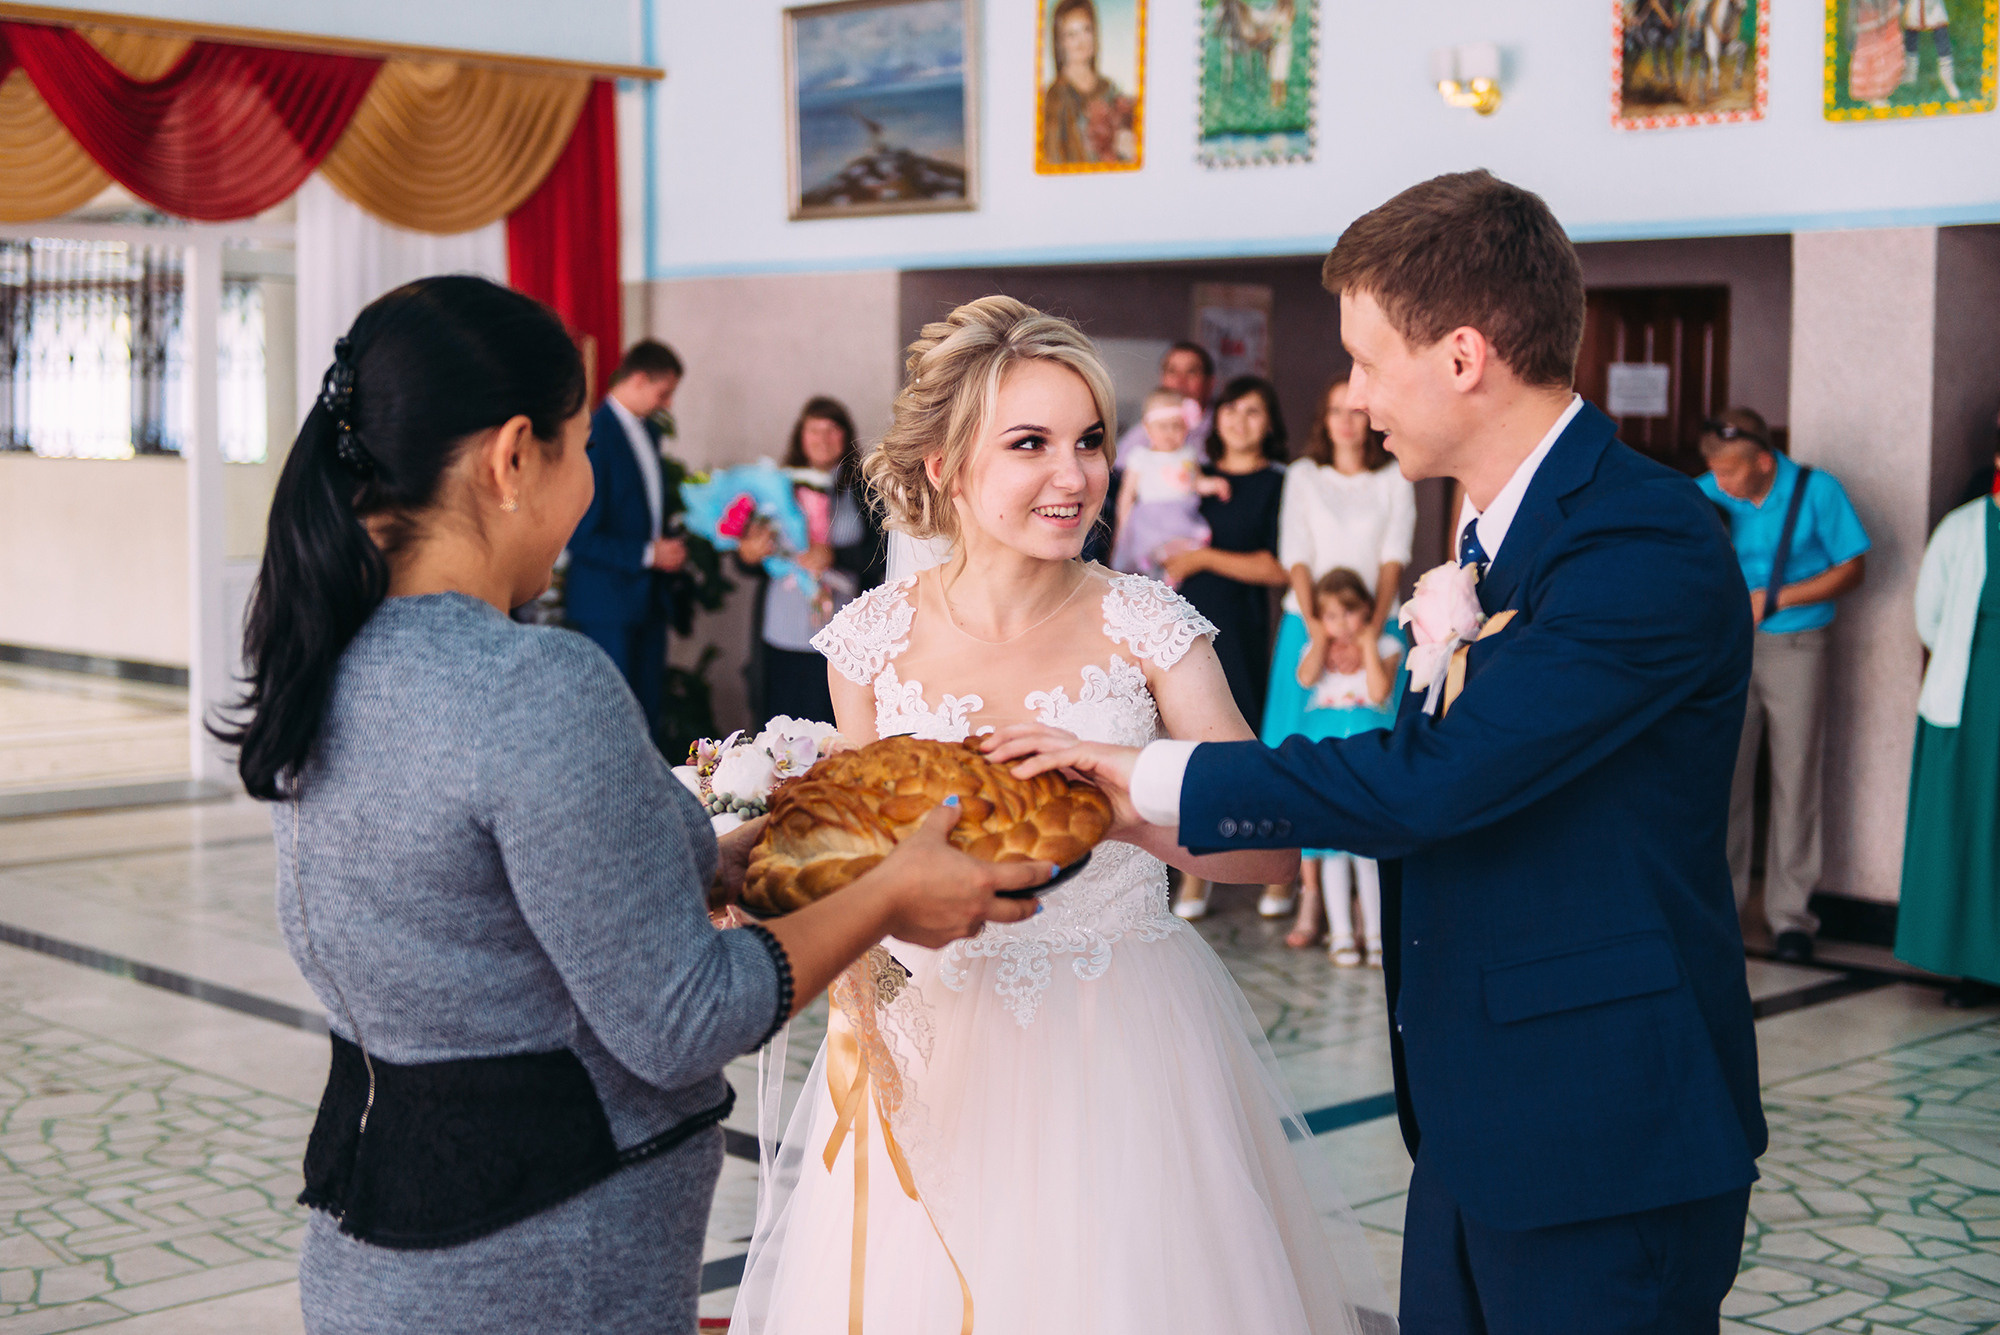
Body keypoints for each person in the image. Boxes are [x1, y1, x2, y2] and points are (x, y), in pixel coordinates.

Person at [1008, 171, 1766, 1332]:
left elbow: (1436, 784)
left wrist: (1137, 769)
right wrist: (1120, 812)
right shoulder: (1483, 534)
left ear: (1461, 357)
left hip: (1602, 1131)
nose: (1352, 397)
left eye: (1364, 360)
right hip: (1478, 1115)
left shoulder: (1641, 541)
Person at [215, 277, 1046, 1335]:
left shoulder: (330, 658)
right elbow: (682, 1020)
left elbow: (475, 901)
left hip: (382, 1239)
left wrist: (715, 857)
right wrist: (888, 895)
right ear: (514, 458)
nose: (588, 483)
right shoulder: (530, 682)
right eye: (579, 448)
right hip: (545, 1259)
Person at [731, 296, 1393, 1335]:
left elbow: (1265, 851)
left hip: (1118, 1037)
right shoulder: (867, 642)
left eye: (1088, 440)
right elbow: (858, 863)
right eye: (1029, 443)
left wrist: (1117, 813)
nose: (1075, 474)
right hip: (928, 1047)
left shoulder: (1150, 626)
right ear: (945, 467)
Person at [1697, 408, 1869, 965]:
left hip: (1797, 647)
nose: (1721, 483)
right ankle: (1721, 908)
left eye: (1731, 473)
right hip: (1729, 649)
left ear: (1765, 462)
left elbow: (1853, 567)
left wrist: (1778, 598)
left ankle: (1791, 916)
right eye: (1714, 471)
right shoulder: (1708, 491)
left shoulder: (1816, 491)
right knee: (1724, 775)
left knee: (1795, 778)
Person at [1257, 377, 1416, 922]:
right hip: (1309, 624)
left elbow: (1394, 556)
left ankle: (1365, 890)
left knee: (1368, 750)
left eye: (1354, 411)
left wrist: (1366, 631)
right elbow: (1295, 554)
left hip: (1374, 624)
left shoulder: (1394, 475)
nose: (1345, 421)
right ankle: (1302, 891)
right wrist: (1322, 635)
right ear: (1323, 421)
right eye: (1334, 412)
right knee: (1293, 749)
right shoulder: (1304, 475)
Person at [1159, 374, 1290, 921]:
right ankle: (1194, 876)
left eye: (1254, 411)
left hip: (1241, 626)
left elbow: (1278, 567)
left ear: (1269, 424)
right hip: (1183, 620)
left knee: (1241, 742)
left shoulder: (1278, 482)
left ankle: (1276, 868)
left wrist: (1205, 559)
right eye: (1232, 409)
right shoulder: (1192, 472)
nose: (1240, 420)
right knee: (1187, 747)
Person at [1895, 438, 2000, 1008]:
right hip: (1971, 702)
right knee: (1968, 827)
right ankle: (1974, 968)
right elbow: (1929, 617)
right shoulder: (1962, 530)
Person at [734, 397, 886, 727]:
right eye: (813, 430)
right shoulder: (776, 487)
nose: (822, 438)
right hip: (782, 632)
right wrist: (748, 553)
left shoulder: (866, 488)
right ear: (800, 436)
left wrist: (836, 556)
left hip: (843, 638)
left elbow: (883, 553)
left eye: (832, 429)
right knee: (781, 733)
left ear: (846, 436)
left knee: (835, 731)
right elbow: (748, 560)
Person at [564, 339, 688, 731]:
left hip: (646, 599)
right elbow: (580, 537)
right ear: (637, 379)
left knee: (646, 717)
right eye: (663, 393)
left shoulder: (648, 431)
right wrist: (649, 555)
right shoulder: (593, 434)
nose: (667, 404)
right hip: (606, 604)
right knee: (613, 722)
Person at [1288, 568, 1401, 961]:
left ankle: (1375, 934)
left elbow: (1379, 691)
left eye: (1350, 613)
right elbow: (1304, 679)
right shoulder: (1313, 649)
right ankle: (1340, 933)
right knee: (1332, 850)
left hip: (1368, 759)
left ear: (1367, 610)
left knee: (1368, 853)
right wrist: (1319, 640)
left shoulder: (1386, 645)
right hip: (1330, 761)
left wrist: (1368, 642)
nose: (1342, 624)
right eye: (1331, 616)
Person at [1109, 386, 1230, 582]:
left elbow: (1196, 483)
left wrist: (1215, 484)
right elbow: (1127, 495)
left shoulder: (1188, 454)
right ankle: (1155, 570)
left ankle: (1169, 577)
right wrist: (1122, 527)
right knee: (1153, 550)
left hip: (1182, 515)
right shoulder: (1140, 456)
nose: (1170, 432)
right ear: (1148, 429)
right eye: (1162, 426)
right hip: (1151, 518)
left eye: (1177, 426)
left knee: (1188, 550)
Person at [1041, 0, 1136, 166]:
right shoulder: (1055, 97)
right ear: (1061, 42)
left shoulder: (1109, 89)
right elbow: (1052, 158)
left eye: (1086, 30)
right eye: (1071, 34)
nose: (1081, 41)